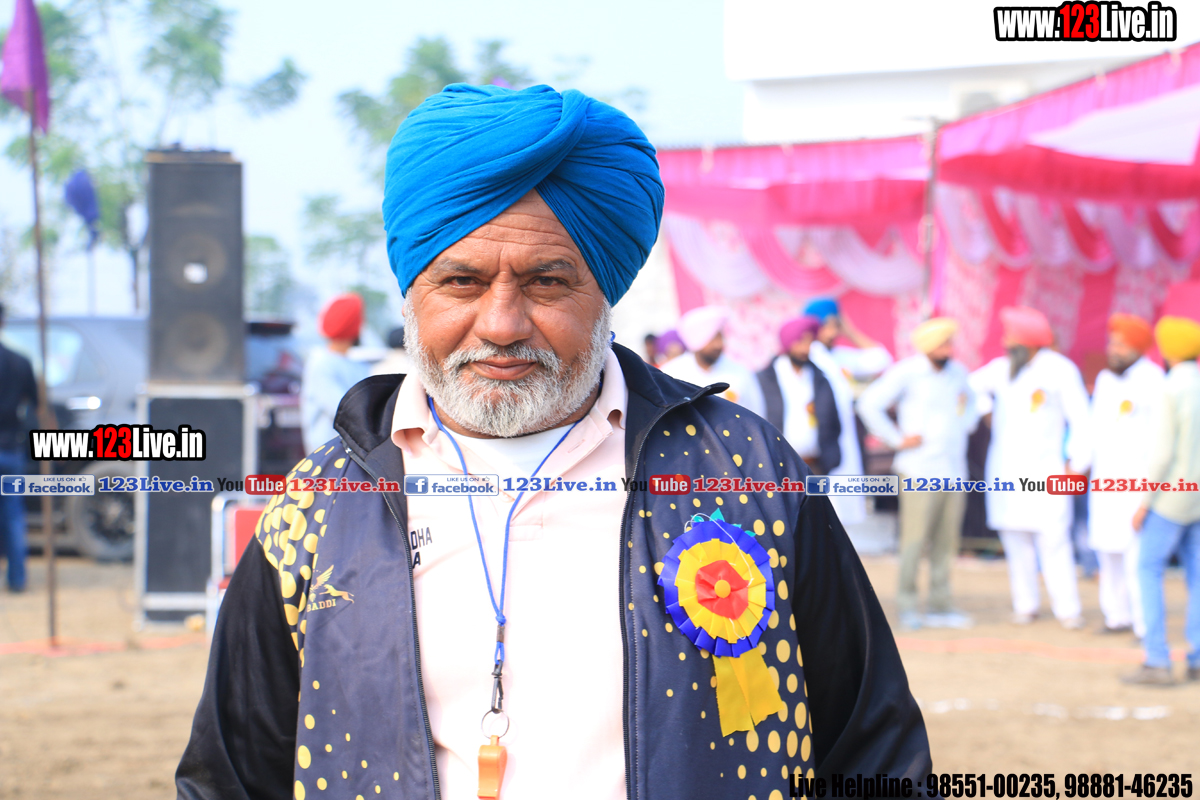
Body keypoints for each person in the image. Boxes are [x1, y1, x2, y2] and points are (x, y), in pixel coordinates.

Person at [177, 84, 930, 800]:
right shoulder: (317, 508)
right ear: (411, 294)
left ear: (606, 291)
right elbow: (233, 779)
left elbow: (874, 750)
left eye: (546, 283)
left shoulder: (745, 473)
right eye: (462, 282)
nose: (502, 324)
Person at [970, 306, 1091, 630]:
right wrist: (985, 410)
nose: (1006, 343)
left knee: (1054, 540)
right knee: (1015, 541)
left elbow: (1082, 419)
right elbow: (968, 387)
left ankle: (1068, 610)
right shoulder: (1002, 369)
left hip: (1047, 472)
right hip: (1006, 471)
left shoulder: (1060, 370)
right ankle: (1026, 605)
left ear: (1029, 341)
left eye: (1011, 338)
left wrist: (1078, 464)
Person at [858, 318, 978, 630]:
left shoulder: (957, 372)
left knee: (946, 542)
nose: (948, 350)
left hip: (954, 470)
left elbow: (973, 403)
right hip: (918, 470)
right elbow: (869, 404)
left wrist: (963, 425)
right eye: (943, 344)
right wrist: (897, 439)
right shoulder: (908, 372)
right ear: (928, 347)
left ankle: (940, 604)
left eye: (950, 343)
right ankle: (908, 605)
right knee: (914, 541)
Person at [1122, 316, 1200, 686]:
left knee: (1148, 570)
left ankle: (1156, 659)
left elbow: (1161, 454)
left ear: (1169, 351)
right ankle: (1197, 658)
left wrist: (1144, 502)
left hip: (1171, 499)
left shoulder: (1171, 388)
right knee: (1197, 579)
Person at [1089, 314, 1163, 638]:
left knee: (1136, 557)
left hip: (1137, 481)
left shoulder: (1154, 380)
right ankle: (1116, 617)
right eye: (1112, 343)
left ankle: (1144, 626)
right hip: (1104, 479)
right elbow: (1093, 428)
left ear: (1137, 348)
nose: (1112, 349)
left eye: (1120, 345)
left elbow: (1161, 438)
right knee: (1107, 553)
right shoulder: (1106, 379)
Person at [803, 297, 893, 527]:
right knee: (820, 511)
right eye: (827, 325)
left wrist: (850, 330)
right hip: (817, 441)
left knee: (843, 512)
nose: (833, 332)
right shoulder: (806, 357)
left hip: (844, 439)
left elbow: (881, 359)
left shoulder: (839, 356)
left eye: (836, 325)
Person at [756, 315, 841, 474]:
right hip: (778, 468)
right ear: (788, 342)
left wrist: (831, 458)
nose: (805, 349)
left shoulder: (820, 379)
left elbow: (833, 423)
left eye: (809, 342)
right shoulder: (766, 379)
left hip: (816, 466)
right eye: (800, 342)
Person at [660, 305, 766, 416]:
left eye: (720, 337)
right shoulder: (672, 373)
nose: (719, 344)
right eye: (712, 339)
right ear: (697, 340)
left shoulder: (740, 371)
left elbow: (756, 414)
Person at [300, 293, 370, 452]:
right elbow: (345, 410)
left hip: (354, 453)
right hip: (329, 456)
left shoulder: (357, 365)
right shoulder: (322, 363)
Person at [0, 302, 37, 593]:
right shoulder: (19, 362)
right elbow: (39, 406)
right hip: (11, 447)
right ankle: (17, 579)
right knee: (13, 516)